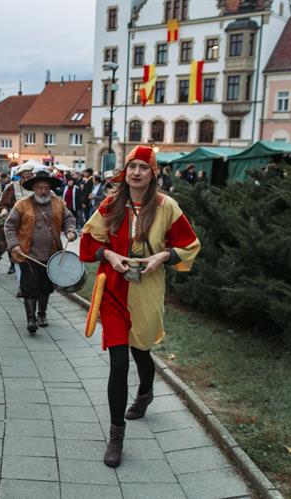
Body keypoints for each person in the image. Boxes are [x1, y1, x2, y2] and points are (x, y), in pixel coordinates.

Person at [79, 145, 200, 468]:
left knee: (141, 352)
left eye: (143, 168)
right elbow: (90, 241)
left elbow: (188, 245)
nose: (136, 173)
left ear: (153, 174)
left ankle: (145, 392)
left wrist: (161, 256)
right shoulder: (111, 204)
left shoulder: (166, 206)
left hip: (147, 288)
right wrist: (110, 256)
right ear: (125, 171)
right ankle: (116, 434)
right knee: (119, 362)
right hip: (115, 290)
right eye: (132, 166)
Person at [5, 170, 78, 333]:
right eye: (39, 187)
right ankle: (31, 318)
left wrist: (71, 230)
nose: (43, 191)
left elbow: (69, 219)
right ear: (34, 189)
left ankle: (42, 313)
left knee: (45, 287)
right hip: (27, 253)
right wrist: (14, 245)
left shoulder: (58, 203)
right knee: (29, 286)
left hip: (51, 254)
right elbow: (9, 225)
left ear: (50, 188)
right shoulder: (22, 204)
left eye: (46, 187)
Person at [0, 163, 35, 276]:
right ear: (20, 176)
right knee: (16, 246)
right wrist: (3, 210)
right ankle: (15, 267)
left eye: (29, 177)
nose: (27, 180)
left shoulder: (36, 186)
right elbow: (2, 204)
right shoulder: (12, 187)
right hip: (17, 223)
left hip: (33, 224)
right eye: (24, 177)